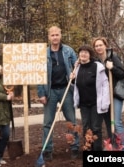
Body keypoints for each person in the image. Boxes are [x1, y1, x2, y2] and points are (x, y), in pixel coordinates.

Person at [37, 26, 79, 161]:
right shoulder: (43, 54)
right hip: (50, 92)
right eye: (52, 35)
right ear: (49, 37)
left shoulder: (68, 51)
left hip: (66, 90)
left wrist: (75, 74)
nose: (55, 37)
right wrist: (41, 93)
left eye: (57, 35)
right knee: (47, 122)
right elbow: (40, 74)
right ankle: (47, 150)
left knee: (71, 120)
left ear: (60, 35)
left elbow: (78, 66)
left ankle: (74, 147)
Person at [71, 45, 110, 151]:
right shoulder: (77, 68)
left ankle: (97, 150)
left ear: (90, 55)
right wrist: (73, 80)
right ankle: (88, 149)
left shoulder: (97, 67)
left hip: (96, 103)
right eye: (81, 52)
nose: (83, 54)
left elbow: (105, 85)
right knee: (86, 128)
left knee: (96, 128)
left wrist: (105, 101)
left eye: (86, 52)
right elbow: (78, 85)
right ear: (78, 54)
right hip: (84, 104)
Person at [92, 37, 124, 151]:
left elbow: (123, 74)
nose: (98, 47)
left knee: (116, 122)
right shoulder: (96, 61)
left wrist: (112, 67)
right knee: (109, 123)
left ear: (105, 45)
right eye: (96, 46)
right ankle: (112, 146)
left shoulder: (113, 57)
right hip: (104, 96)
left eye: (100, 45)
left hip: (115, 94)